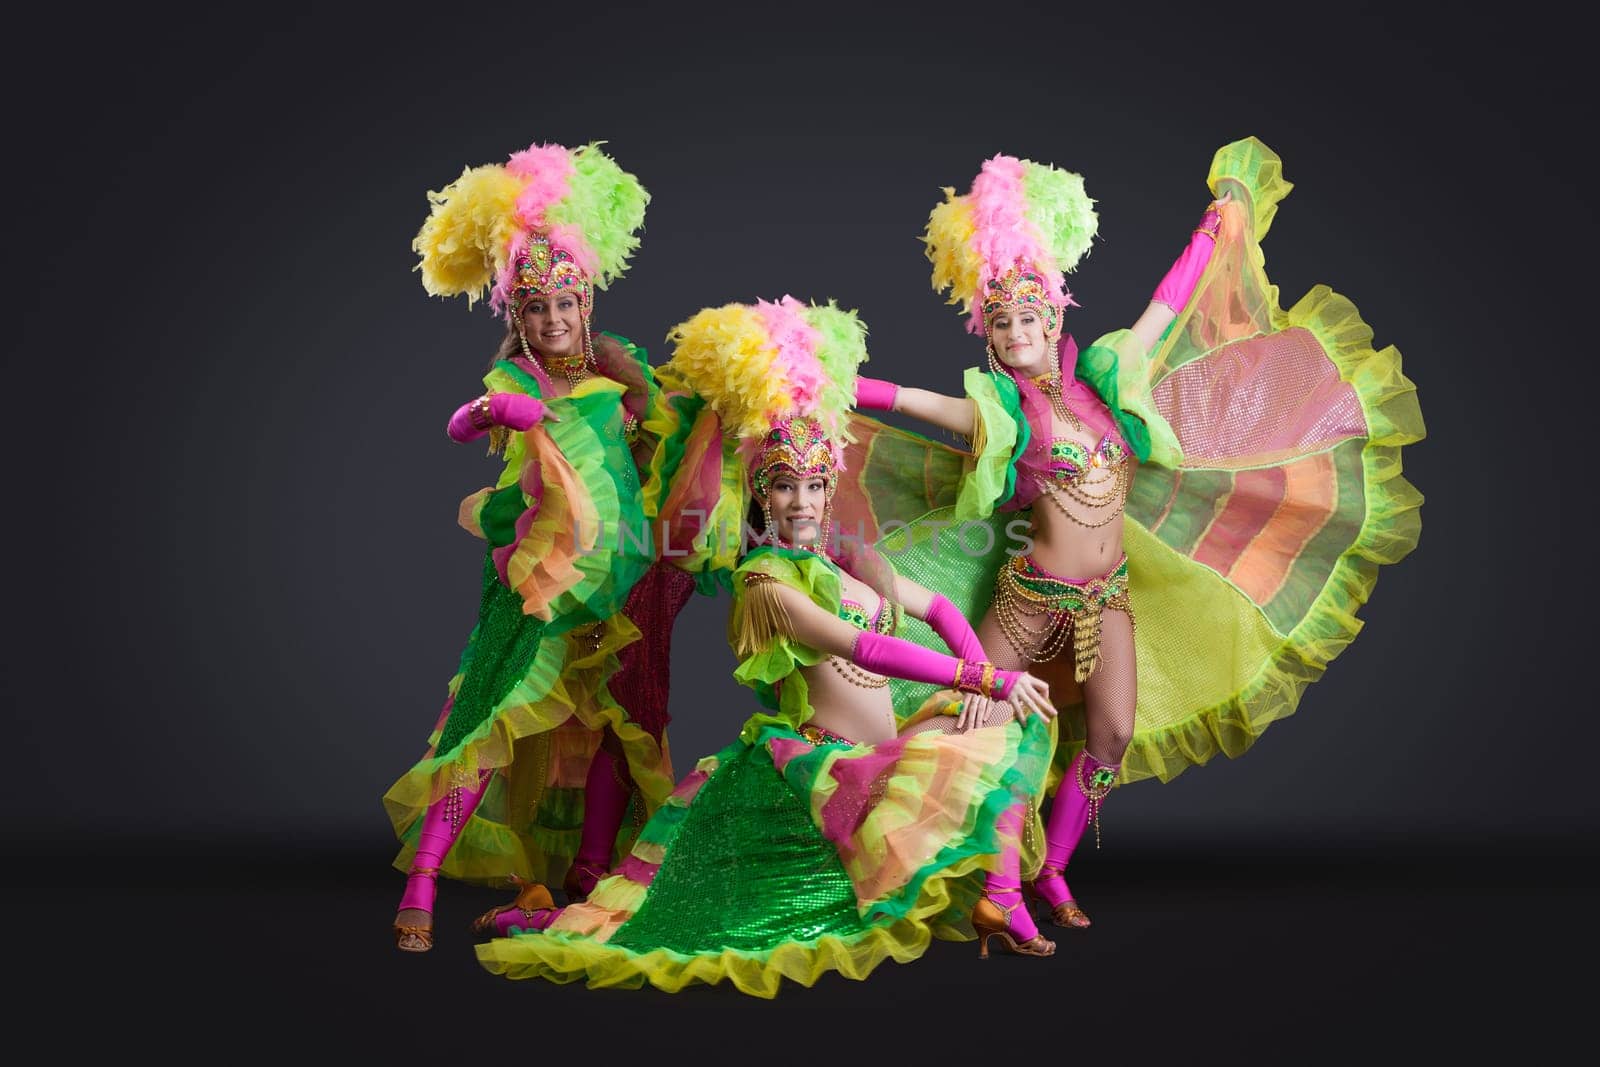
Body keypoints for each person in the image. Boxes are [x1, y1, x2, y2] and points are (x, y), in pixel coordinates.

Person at [851, 138, 1425, 932]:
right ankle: (933, 865)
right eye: (1004, 322)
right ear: (989, 335)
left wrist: (1214, 228)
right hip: (1026, 599)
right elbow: (912, 400)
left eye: (1032, 315)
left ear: (1056, 316)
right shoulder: (999, 411)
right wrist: (833, 381)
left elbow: (1167, 305)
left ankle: (1050, 870)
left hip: (1106, 595)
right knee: (969, 718)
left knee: (1112, 733)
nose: (1019, 331)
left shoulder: (1111, 381)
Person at [472, 296, 1061, 995]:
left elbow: (932, 605)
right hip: (822, 773)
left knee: (1015, 719)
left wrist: (984, 682)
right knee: (653, 926)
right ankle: (537, 918)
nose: (803, 502)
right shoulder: (764, 580)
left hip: (884, 753)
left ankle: (1003, 898)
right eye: (786, 486)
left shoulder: (850, 558)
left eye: (815, 484)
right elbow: (862, 650)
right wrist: (984, 677)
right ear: (761, 492)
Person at [387, 141, 697, 953]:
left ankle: (592, 865)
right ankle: (423, 873)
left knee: (607, 722)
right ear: (516, 318)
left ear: (586, 301)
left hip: (615, 578)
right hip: (540, 586)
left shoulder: (620, 376)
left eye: (566, 303)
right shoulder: (515, 384)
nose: (554, 320)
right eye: (536, 308)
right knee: (489, 718)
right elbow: (464, 422)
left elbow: (666, 440)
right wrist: (494, 417)